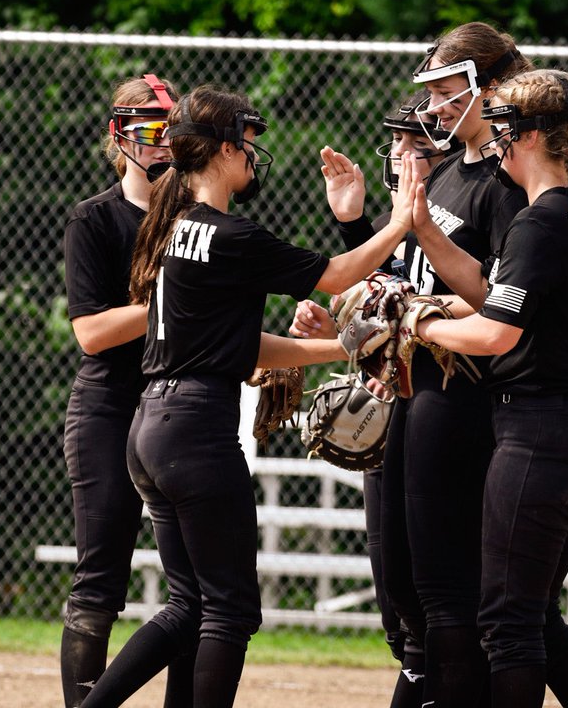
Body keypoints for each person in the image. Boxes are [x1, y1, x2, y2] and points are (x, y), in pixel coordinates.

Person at [79, 84, 420, 708]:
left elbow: (244, 347)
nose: (253, 159)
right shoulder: (230, 234)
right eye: (249, 145)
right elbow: (337, 276)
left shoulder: (172, 227)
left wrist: (342, 347)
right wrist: (400, 220)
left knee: (188, 606)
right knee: (231, 613)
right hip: (199, 432)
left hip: (152, 428)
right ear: (224, 150)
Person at [292, 21, 531, 708]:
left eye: (444, 89)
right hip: (411, 389)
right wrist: (354, 230)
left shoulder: (505, 183)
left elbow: (498, 300)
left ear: (487, 88)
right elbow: (391, 283)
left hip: (461, 394)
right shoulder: (451, 172)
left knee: (447, 595)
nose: (429, 108)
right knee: (401, 591)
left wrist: (420, 308)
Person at [409, 69, 568, 707]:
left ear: (528, 135)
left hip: (542, 435)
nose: (492, 141)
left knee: (505, 623)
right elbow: (498, 300)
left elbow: (498, 333)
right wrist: (433, 286)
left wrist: (419, 325)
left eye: (502, 129)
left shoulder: (538, 222)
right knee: (532, 616)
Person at [290, 90, 461, 707]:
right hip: (397, 412)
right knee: (394, 596)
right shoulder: (404, 219)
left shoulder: (457, 216)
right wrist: (354, 226)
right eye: (395, 144)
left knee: (426, 605)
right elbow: (377, 300)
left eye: (415, 146)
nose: (400, 156)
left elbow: (422, 308)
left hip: (442, 413)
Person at [60, 74, 192, 708]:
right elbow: (91, 332)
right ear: (121, 137)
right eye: (150, 132)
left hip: (180, 409)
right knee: (101, 579)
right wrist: (173, 297)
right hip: (111, 406)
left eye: (174, 133)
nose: (164, 146)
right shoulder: (95, 217)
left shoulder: (199, 219)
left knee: (196, 586)